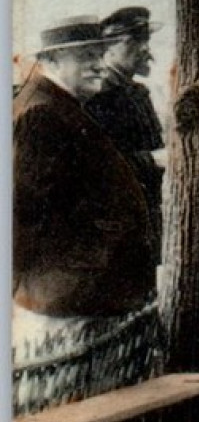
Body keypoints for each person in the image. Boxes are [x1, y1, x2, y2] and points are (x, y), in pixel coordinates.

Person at [14, 17, 156, 318]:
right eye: (86, 56)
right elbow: (22, 213)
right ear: (51, 60)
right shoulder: (42, 112)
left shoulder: (61, 105)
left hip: (78, 293)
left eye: (101, 55)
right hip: (65, 299)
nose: (100, 65)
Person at [84, 7, 166, 262]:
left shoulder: (139, 93)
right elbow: (98, 169)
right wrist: (153, 161)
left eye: (146, 40)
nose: (145, 49)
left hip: (147, 218)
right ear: (109, 48)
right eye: (135, 40)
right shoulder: (96, 96)